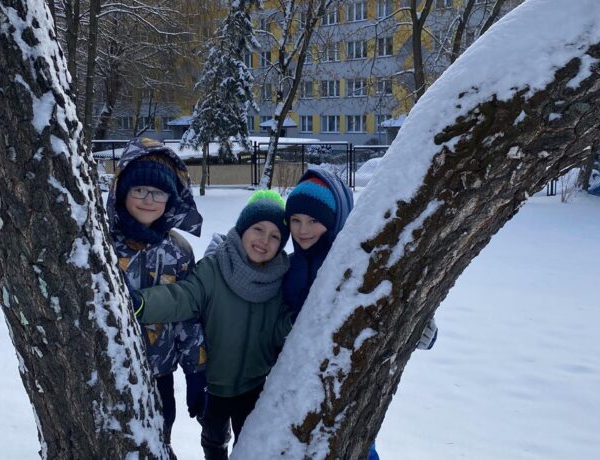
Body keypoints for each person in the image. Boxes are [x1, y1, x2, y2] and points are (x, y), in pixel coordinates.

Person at [282, 167, 438, 460]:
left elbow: (395, 304)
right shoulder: (286, 269)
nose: (303, 230)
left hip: (350, 392)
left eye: (314, 220)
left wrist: (422, 329)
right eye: (296, 220)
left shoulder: (360, 269)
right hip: (296, 394)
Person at [132, 189, 293, 460]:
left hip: (254, 386)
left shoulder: (279, 280)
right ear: (242, 229)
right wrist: (142, 304)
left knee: (250, 445)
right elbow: (182, 297)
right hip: (213, 383)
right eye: (258, 229)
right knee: (214, 439)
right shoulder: (214, 268)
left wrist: (292, 323)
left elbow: (277, 330)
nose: (264, 240)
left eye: (275, 236)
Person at [106, 137, 207, 447]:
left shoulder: (178, 251)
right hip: (111, 375)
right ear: (123, 192)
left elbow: (187, 315)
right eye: (139, 190)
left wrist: (196, 370)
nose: (148, 199)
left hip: (160, 378)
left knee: (158, 443)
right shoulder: (102, 244)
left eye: (159, 192)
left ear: (171, 198)